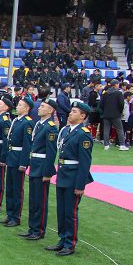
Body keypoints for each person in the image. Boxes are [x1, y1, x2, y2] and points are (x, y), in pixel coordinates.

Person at [48, 100, 94, 256]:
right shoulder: (67, 131)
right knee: (61, 211)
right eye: (71, 111)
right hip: (63, 174)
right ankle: (62, 240)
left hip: (73, 177)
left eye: (74, 111)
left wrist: (80, 185)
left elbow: (85, 162)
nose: (70, 113)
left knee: (70, 212)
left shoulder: (83, 134)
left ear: (82, 116)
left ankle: (70, 243)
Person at [20, 98, 59, 242]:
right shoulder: (38, 124)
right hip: (35, 163)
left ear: (50, 110)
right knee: (34, 199)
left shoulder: (50, 127)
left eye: (43, 106)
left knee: (40, 200)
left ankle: (39, 230)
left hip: (42, 166)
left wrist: (48, 172)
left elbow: (51, 152)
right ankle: (32, 228)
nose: (39, 108)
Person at [3, 95, 34, 228]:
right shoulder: (16, 120)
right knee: (9, 187)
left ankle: (16, 216)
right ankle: (9, 214)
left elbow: (27, 144)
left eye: (20, 105)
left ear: (27, 108)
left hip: (18, 157)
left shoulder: (27, 122)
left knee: (17, 189)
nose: (17, 106)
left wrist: (23, 163)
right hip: (11, 155)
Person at [99, 80, 128, 150]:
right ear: (115, 85)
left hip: (106, 114)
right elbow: (121, 104)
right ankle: (122, 145)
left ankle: (106, 145)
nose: (118, 85)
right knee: (120, 129)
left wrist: (104, 111)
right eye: (118, 84)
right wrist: (120, 112)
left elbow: (101, 104)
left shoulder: (105, 93)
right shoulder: (119, 93)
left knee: (106, 129)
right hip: (116, 114)